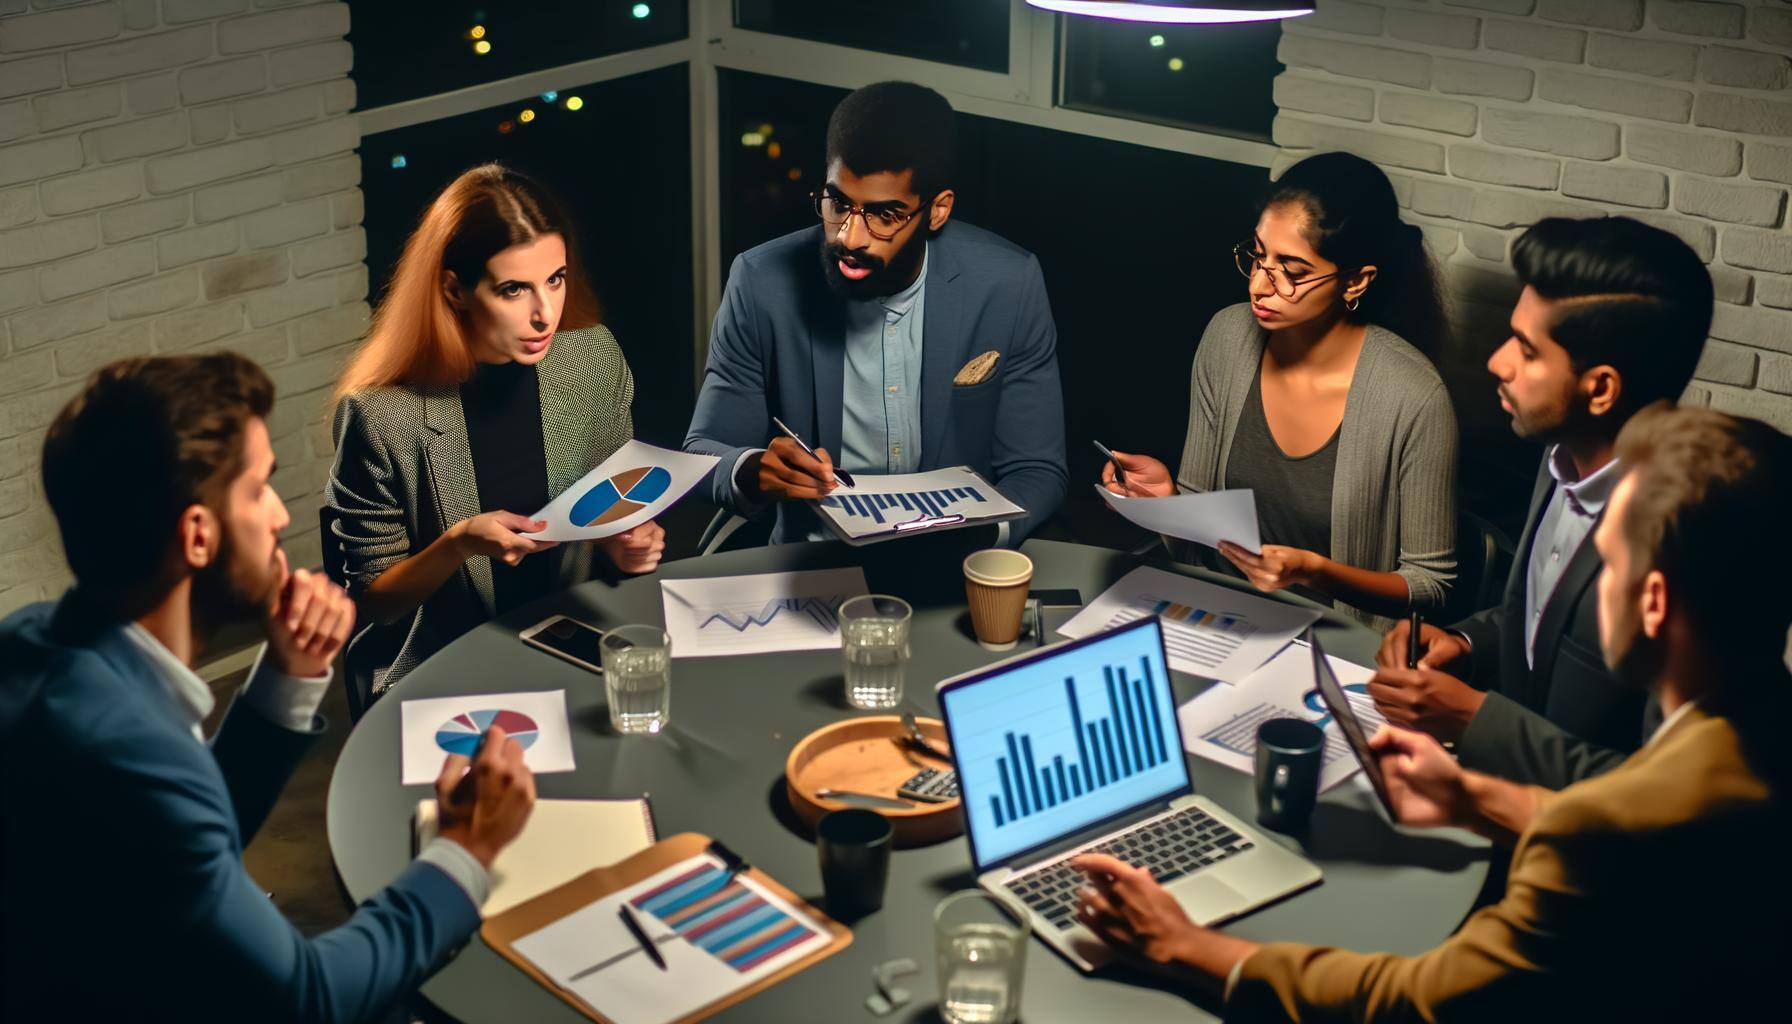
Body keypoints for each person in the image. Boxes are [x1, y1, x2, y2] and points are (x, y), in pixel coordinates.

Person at [1074, 405, 1792, 1021]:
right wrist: (1480, 797)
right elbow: (1661, 838)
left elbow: (1410, 998)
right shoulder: (1764, 724)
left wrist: (1193, 947)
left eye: (1606, 566)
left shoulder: (1596, 835)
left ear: (1654, 602)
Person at [0, 354, 535, 1022]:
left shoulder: (29, 641)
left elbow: (177, 836)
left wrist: (290, 673)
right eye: (258, 490)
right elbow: (311, 998)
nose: (280, 516)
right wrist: (467, 847)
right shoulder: (126, 753)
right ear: (198, 535)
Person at [1371, 216, 1712, 789]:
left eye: (1527, 351)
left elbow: (1666, 786)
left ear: (1600, 388)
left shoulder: (1683, 543)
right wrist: (1464, 643)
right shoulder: (1558, 458)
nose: (1497, 362)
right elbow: (1540, 621)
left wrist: (1473, 717)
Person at [328, 164, 664, 697]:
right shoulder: (382, 415)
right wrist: (458, 544)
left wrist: (625, 545)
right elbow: (374, 600)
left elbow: (611, 507)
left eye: (554, 280)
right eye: (513, 290)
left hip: (578, 641)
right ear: (455, 290)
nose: (545, 313)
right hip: (447, 664)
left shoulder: (591, 359)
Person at [684, 81, 1067, 546]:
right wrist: (751, 470)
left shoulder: (1008, 282)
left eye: (885, 215)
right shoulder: (761, 281)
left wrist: (978, 544)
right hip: (816, 562)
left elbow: (1037, 469)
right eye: (838, 203)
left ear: (938, 210)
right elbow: (703, 455)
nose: (850, 237)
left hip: (961, 555)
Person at [1101, 152, 1456, 631]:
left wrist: (1316, 572)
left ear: (1355, 280)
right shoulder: (1228, 338)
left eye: (1293, 271)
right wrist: (1166, 501)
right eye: (1258, 255)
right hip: (1215, 617)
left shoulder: (1412, 396)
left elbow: (1429, 584)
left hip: (1333, 645)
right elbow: (1199, 540)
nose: (1259, 285)